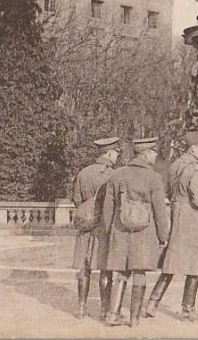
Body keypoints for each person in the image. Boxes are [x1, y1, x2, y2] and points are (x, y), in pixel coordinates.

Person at [143, 130, 198, 321]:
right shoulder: (195, 169)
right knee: (195, 263)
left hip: (177, 214)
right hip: (194, 218)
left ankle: (152, 303)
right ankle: (187, 309)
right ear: (193, 148)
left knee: (171, 262)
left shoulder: (175, 165)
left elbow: (167, 190)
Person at [100, 136, 170, 327]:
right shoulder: (154, 178)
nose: (156, 156)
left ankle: (113, 314)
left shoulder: (117, 175)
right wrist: (163, 237)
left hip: (120, 231)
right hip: (145, 233)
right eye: (154, 153)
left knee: (121, 272)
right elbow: (159, 212)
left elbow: (108, 209)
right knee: (139, 272)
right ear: (146, 154)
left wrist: (109, 232)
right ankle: (134, 319)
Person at [71, 136, 120, 319]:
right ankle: (104, 310)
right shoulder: (112, 175)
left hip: (85, 228)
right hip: (103, 229)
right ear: (109, 153)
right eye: (116, 152)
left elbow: (76, 200)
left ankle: (81, 309)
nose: (117, 156)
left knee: (84, 269)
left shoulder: (84, 173)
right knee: (105, 268)